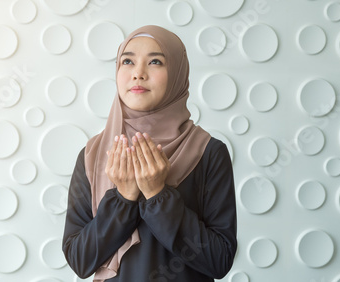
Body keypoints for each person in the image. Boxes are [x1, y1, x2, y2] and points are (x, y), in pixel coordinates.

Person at [62, 25, 237, 282]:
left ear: (177, 72)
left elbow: (219, 260)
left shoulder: (208, 152)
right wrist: (123, 197)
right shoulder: (94, 155)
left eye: (155, 61)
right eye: (127, 61)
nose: (138, 74)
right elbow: (80, 259)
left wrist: (158, 195)